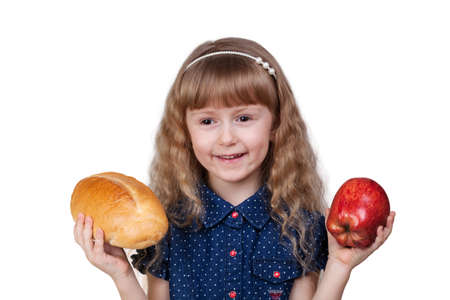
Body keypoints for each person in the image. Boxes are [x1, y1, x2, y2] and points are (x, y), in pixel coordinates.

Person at [73, 37, 395, 300]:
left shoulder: (301, 222)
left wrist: (339, 266)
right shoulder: (168, 223)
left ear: (276, 123)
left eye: (243, 118)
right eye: (207, 121)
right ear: (185, 130)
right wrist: (122, 273)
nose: (227, 138)